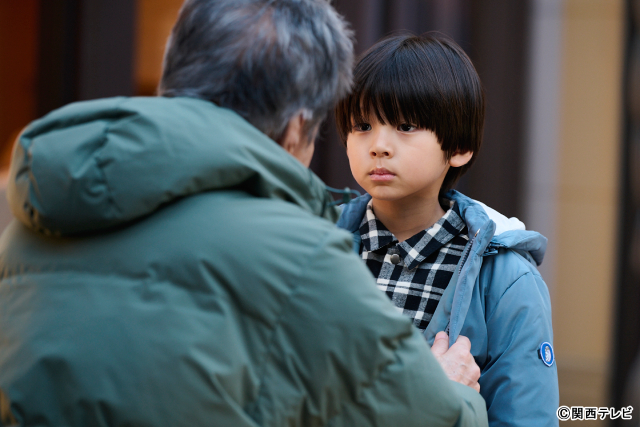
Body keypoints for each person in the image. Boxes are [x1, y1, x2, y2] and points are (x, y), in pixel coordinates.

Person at [0, 1, 489, 426]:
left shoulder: (31, 220)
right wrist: (454, 391)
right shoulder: (297, 251)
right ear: (298, 126)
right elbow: (422, 412)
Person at [335, 33, 559, 427]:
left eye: (405, 126)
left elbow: (526, 417)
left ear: (458, 147)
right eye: (362, 125)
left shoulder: (505, 278)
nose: (379, 145)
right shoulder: (314, 246)